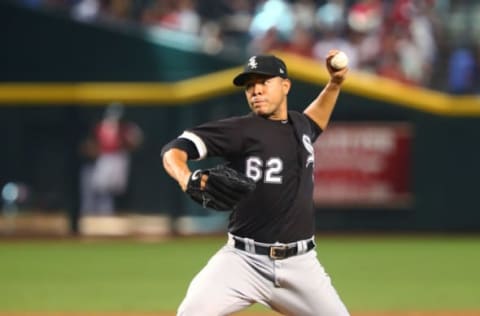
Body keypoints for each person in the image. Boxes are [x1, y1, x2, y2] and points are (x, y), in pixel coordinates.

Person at [161, 52, 349, 315]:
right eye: (249, 85)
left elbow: (316, 120)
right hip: (242, 261)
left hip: (301, 265)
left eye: (264, 82)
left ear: (285, 86)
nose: (256, 90)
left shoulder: (300, 125)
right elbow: (174, 149)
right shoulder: (240, 130)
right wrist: (186, 178)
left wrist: (334, 84)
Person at [80, 102, 143, 215]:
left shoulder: (127, 127)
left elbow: (137, 141)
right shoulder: (101, 126)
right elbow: (90, 144)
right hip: (105, 157)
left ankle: (110, 211)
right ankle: (99, 211)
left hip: (119, 156)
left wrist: (128, 144)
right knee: (100, 185)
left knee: (115, 188)